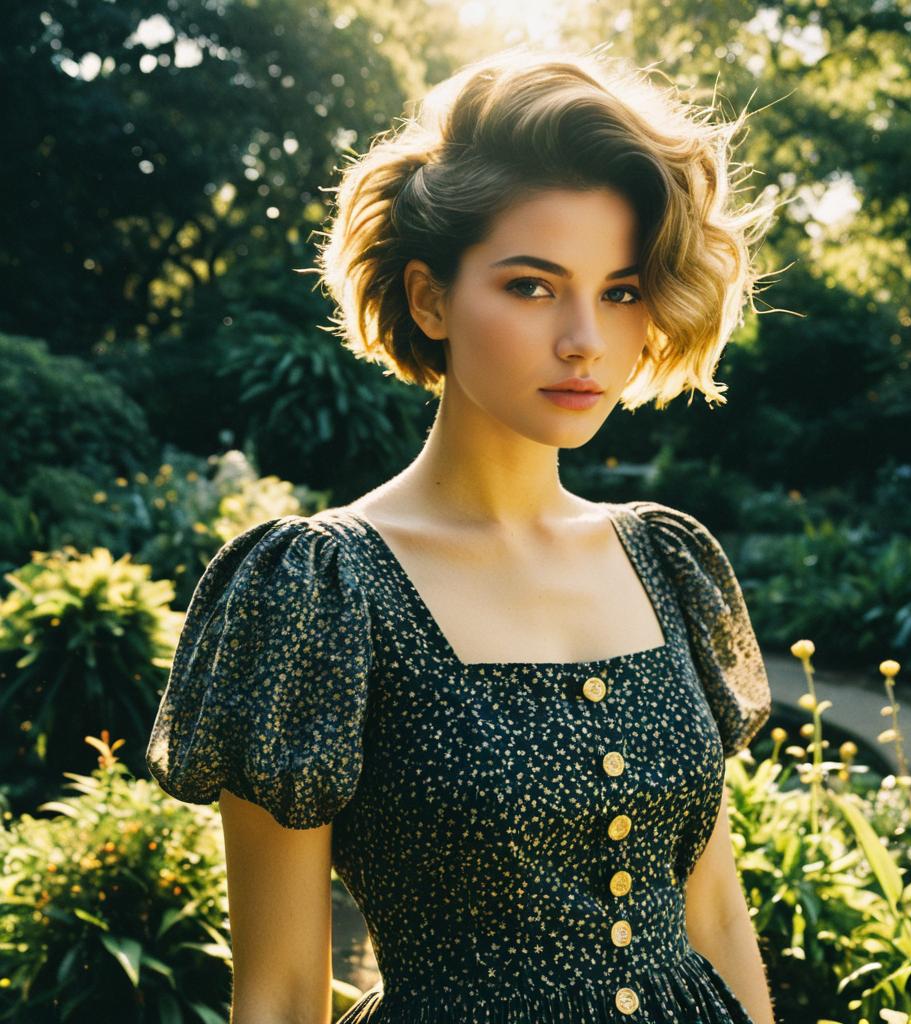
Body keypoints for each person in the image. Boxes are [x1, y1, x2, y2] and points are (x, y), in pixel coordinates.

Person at [146, 42, 780, 1024]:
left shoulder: (667, 559)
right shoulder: (318, 589)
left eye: (618, 290)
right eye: (531, 285)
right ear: (429, 297)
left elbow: (717, 918)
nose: (584, 338)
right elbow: (277, 992)